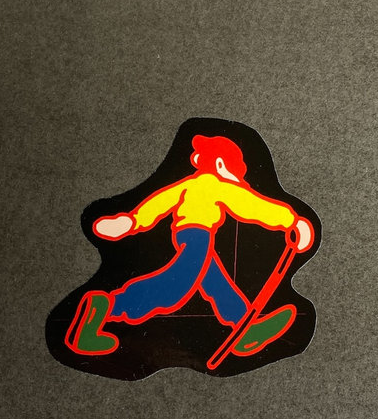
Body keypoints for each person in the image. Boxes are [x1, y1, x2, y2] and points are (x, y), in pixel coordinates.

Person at [66, 133, 314, 358]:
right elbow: (250, 205)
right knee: (173, 287)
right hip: (198, 236)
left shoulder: (187, 185)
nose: (240, 182)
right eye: (237, 175)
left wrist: (131, 222)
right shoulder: (214, 185)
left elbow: (159, 202)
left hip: (187, 235)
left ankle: (243, 327)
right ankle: (105, 309)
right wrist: (292, 221)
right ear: (221, 165)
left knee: (215, 283)